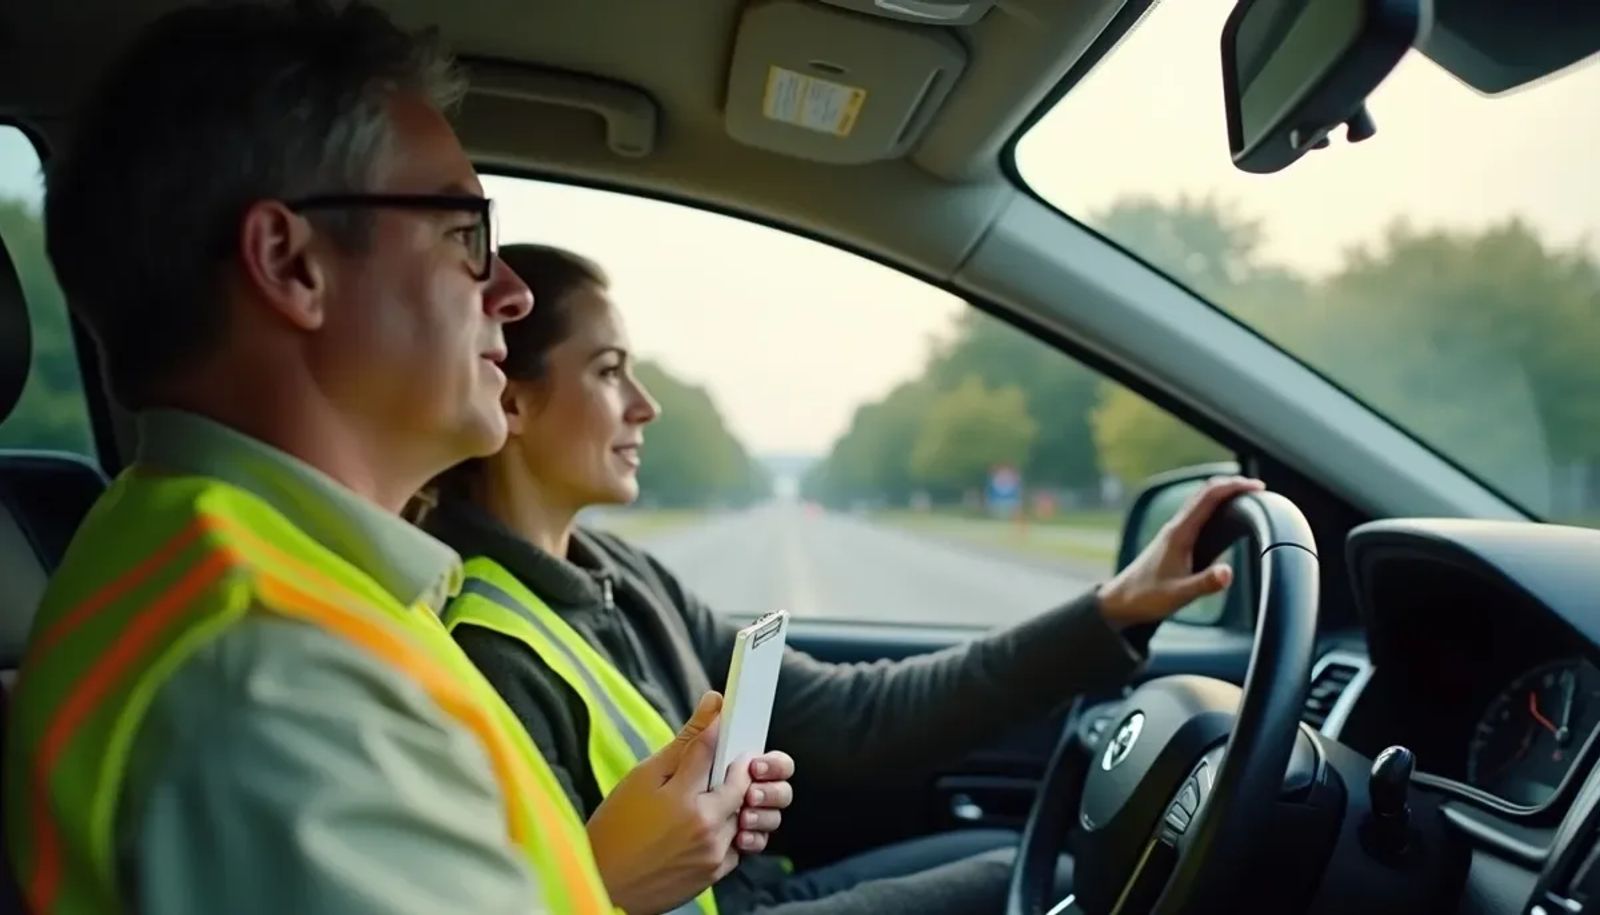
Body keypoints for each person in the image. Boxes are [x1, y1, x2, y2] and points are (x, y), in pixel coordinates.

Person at [2, 7, 787, 914]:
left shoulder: (245, 564)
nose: (511, 291)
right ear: (291, 264)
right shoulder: (280, 684)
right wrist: (609, 885)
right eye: (464, 234)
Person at [419, 243, 1266, 914]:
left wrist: (1113, 608)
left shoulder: (620, 571)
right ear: (513, 400)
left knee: (1022, 862)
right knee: (1042, 879)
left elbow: (857, 716)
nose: (646, 404)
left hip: (757, 889)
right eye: (608, 371)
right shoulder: (480, 645)